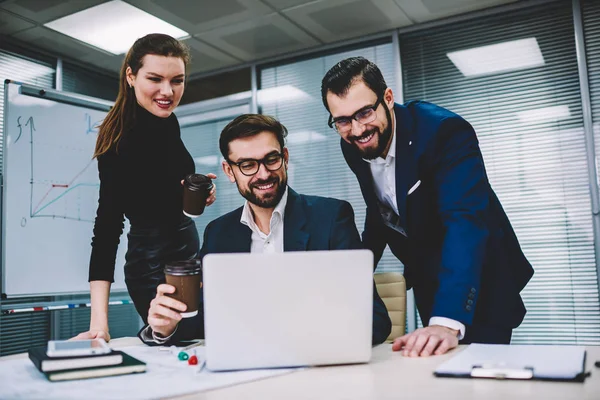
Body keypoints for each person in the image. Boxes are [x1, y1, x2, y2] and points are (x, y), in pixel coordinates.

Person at [320, 56, 534, 357]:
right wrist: (351, 272)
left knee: (481, 380)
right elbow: (379, 208)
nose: (356, 130)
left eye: (365, 112)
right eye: (342, 120)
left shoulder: (443, 132)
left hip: (479, 279)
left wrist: (447, 321)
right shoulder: (354, 145)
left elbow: (465, 221)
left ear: (388, 99)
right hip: (428, 279)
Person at [140, 114, 392, 345]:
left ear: (285, 157)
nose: (263, 174)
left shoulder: (330, 218)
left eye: (271, 159)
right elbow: (202, 321)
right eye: (247, 165)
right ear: (229, 171)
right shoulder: (219, 234)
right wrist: (166, 326)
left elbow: (375, 320)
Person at [73, 34, 216, 342]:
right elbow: (108, 227)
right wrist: (100, 324)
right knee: (177, 336)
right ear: (130, 75)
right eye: (155, 79)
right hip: (151, 263)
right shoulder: (119, 142)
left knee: (208, 337)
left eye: (177, 80)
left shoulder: (168, 121)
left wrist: (195, 192)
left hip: (188, 249)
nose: (168, 91)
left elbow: (159, 189)